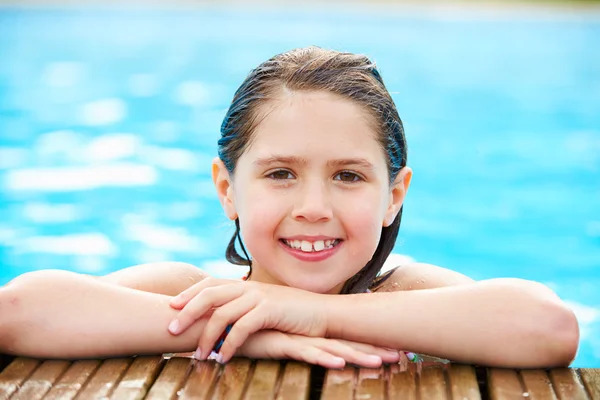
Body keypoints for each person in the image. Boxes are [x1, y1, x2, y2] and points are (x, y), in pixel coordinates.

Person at [0, 47, 579, 370]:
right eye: (281, 174)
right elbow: (18, 312)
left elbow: (547, 327)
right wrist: (249, 331)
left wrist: (312, 312)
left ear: (393, 196)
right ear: (227, 189)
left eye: (348, 176)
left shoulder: (404, 296)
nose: (313, 207)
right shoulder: (191, 294)